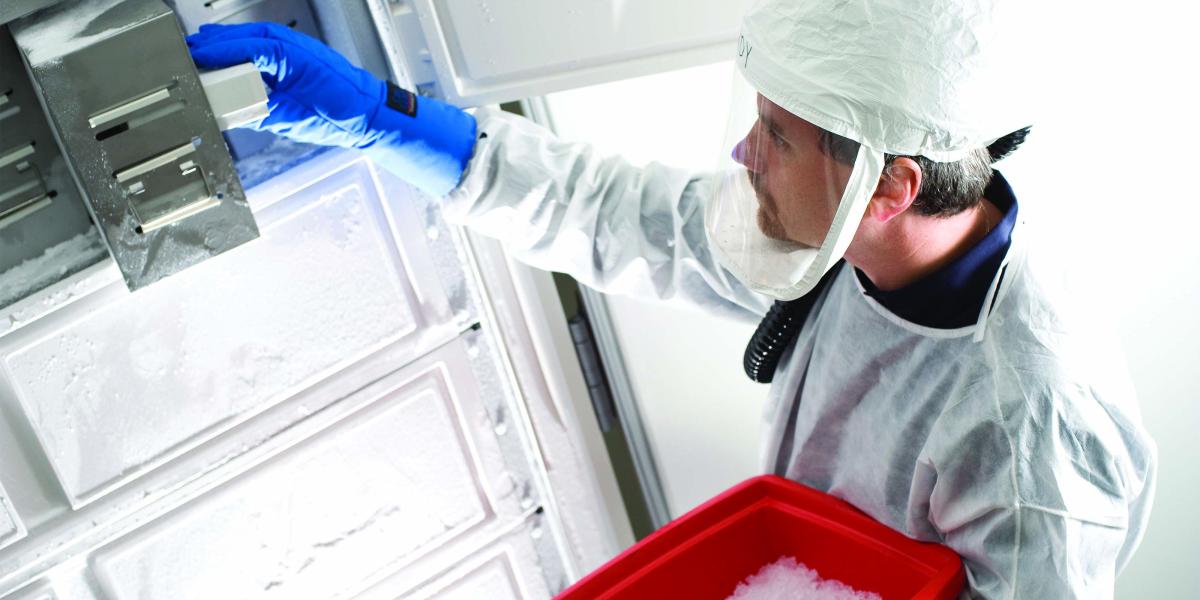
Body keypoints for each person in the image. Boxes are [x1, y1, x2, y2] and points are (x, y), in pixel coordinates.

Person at [187, 1, 1156, 597]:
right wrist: (383, 118)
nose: (745, 155)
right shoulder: (845, 237)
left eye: (775, 135)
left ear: (889, 186)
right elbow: (625, 217)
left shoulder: (1028, 422)